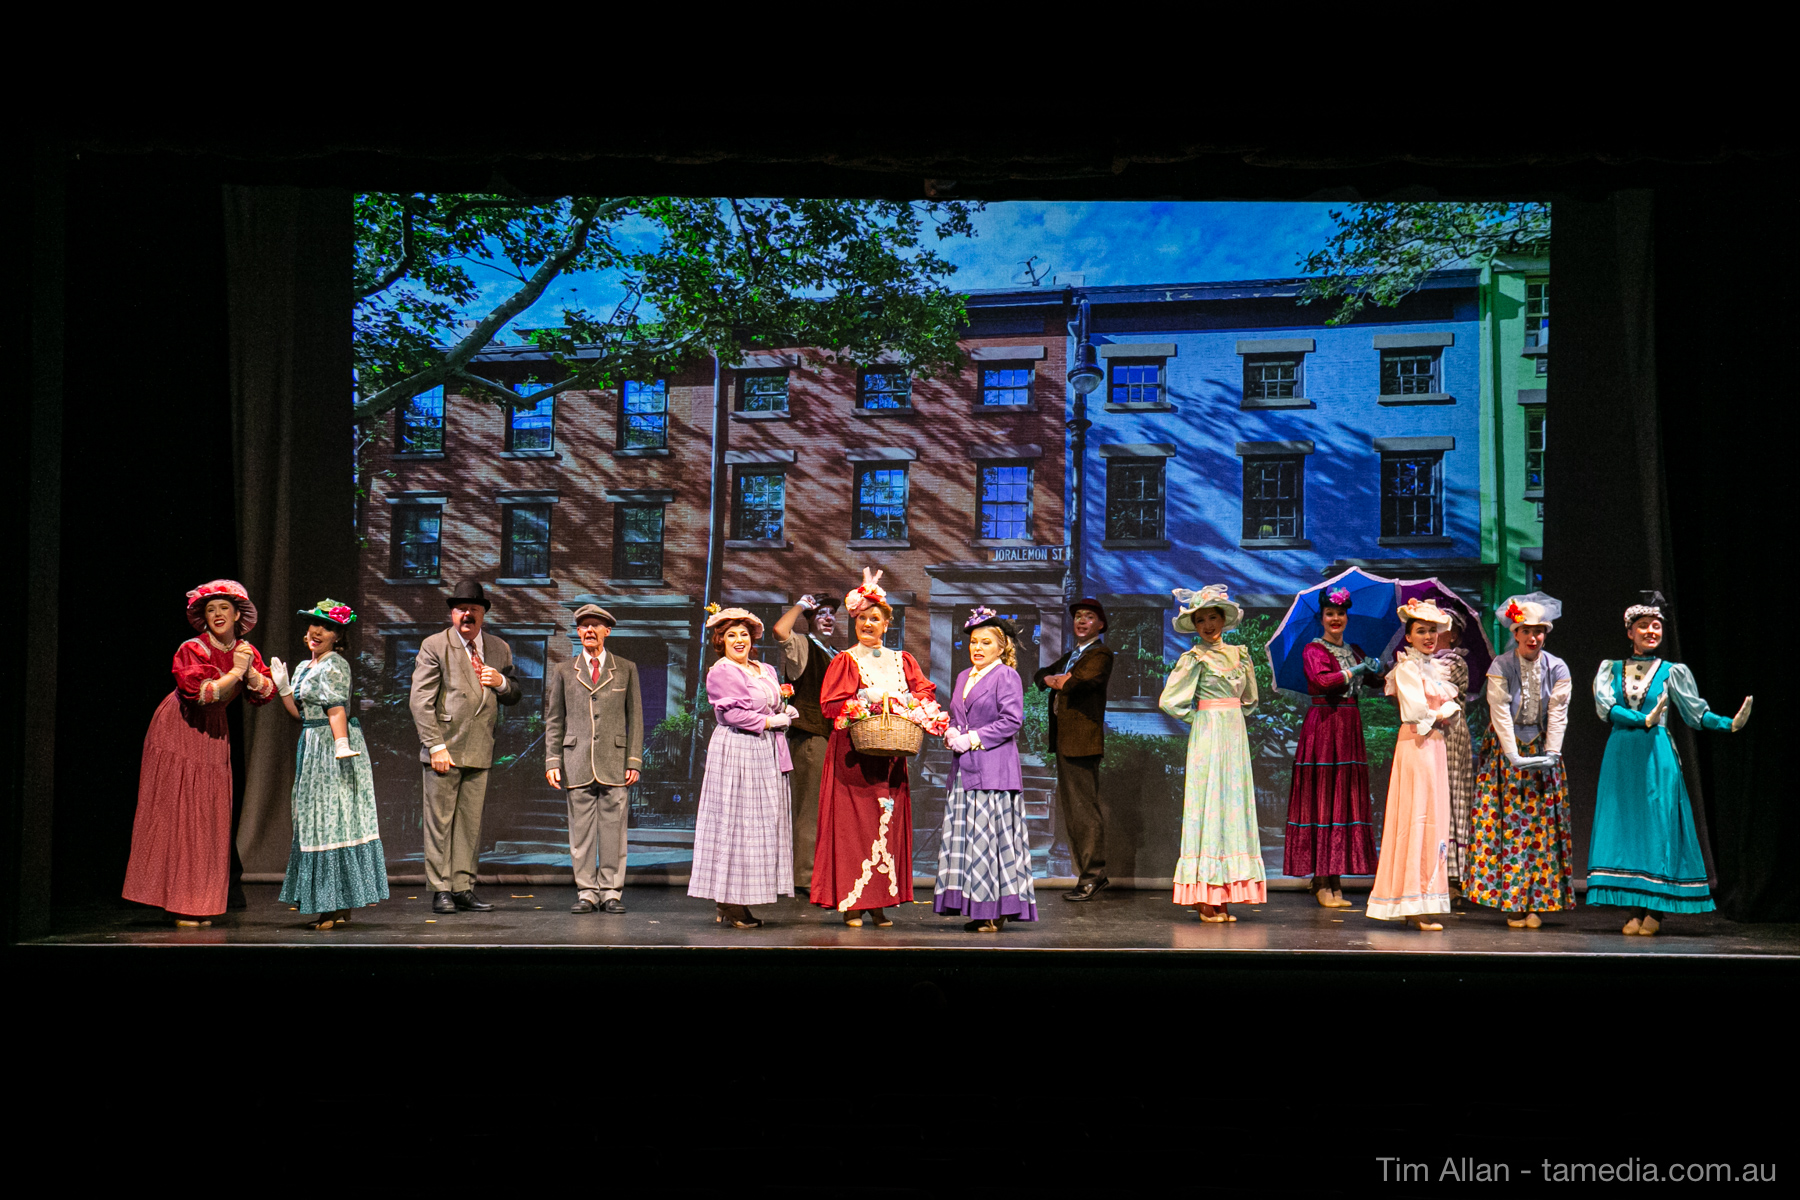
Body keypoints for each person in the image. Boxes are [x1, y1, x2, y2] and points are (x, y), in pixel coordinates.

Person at [1587, 591, 1752, 935]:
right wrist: (1641, 720)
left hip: (1655, 755)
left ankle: (1656, 911)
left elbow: (1696, 713)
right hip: (1622, 754)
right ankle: (1633, 909)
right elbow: (1606, 709)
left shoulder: (1672, 671)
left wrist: (1728, 724)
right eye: (1643, 626)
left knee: (1657, 828)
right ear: (1630, 632)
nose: (1651, 631)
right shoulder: (1610, 669)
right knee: (1627, 828)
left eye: (1656, 626)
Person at [124, 580, 278, 926]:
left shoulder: (246, 651)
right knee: (179, 814)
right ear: (203, 618)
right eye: (210, 609)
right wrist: (237, 671)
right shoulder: (193, 648)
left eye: (224, 608)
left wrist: (249, 671)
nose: (217, 614)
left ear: (237, 614)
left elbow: (264, 693)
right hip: (179, 729)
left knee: (208, 818)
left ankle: (198, 902)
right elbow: (201, 695)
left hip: (213, 732)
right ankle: (178, 902)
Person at [813, 568, 938, 927]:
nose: (868, 624)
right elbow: (830, 705)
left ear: (886, 624)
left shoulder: (903, 660)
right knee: (855, 826)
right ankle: (853, 902)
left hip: (890, 751)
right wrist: (862, 700)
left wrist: (909, 703)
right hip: (855, 755)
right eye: (862, 618)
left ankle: (880, 902)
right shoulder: (846, 660)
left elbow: (924, 691)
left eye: (875, 619)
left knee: (888, 822)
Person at [268, 599, 387, 930]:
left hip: (331, 746)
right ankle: (337, 904)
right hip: (312, 744)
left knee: (332, 820)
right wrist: (283, 688)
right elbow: (301, 716)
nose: (317, 631)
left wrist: (341, 744)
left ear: (338, 636)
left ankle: (333, 905)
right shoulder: (305, 667)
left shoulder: (335, 665)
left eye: (327, 627)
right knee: (315, 820)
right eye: (314, 625)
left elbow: (336, 710)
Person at [409, 580, 522, 915]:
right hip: (444, 748)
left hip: (479, 748)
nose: (467, 615)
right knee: (440, 824)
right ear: (452, 613)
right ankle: (441, 889)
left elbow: (514, 693)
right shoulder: (435, 645)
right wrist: (435, 746)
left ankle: (462, 887)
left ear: (483, 613)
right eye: (461, 609)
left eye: (473, 609)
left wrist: (501, 682)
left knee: (469, 826)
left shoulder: (499, 648)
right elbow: (420, 702)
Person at [1465, 594, 1573, 928]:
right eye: (1526, 630)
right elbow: (1499, 711)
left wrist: (1552, 752)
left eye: (1539, 631)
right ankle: (1513, 902)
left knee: (1541, 826)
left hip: (1540, 746)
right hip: (1505, 749)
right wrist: (1512, 754)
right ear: (1515, 633)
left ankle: (1537, 901)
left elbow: (1558, 713)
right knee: (1509, 825)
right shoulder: (1502, 665)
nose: (1533, 637)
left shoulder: (1557, 667)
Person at [1159, 585, 1264, 922]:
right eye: (1200, 620)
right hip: (1208, 734)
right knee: (1207, 804)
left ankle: (1224, 895)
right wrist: (1201, 717)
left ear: (1223, 620)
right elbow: (1170, 701)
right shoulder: (1194, 657)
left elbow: (1250, 700)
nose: (1207, 625)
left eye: (1213, 618)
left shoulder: (1240, 654)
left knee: (1232, 806)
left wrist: (1229, 714)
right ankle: (1204, 897)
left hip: (1234, 734)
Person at [689, 608, 795, 929]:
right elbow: (731, 714)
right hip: (738, 749)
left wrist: (785, 711)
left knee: (759, 824)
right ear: (720, 641)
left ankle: (736, 898)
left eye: (744, 635)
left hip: (766, 751)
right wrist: (770, 721)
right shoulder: (722, 671)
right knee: (737, 821)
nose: (739, 640)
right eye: (731, 635)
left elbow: (771, 703)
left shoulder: (765, 669)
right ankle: (729, 900)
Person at [935, 608, 1037, 932]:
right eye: (973, 642)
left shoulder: (1006, 675)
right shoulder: (964, 676)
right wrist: (952, 731)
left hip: (993, 770)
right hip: (965, 769)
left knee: (989, 840)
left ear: (1001, 647)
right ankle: (978, 907)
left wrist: (973, 738)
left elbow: (1011, 721)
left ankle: (994, 911)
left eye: (986, 642)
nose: (977, 648)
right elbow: (959, 716)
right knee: (970, 839)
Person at [1281, 584, 1382, 909]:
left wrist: (1377, 669)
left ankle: (1334, 879)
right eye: (1329, 613)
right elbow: (1322, 681)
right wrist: (1356, 669)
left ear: (1346, 617)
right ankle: (1321, 880)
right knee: (1323, 798)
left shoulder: (1354, 649)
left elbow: (1372, 682)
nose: (1335, 618)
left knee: (1342, 799)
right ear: (1321, 618)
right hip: (1325, 725)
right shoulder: (1314, 650)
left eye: (1340, 613)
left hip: (1349, 725)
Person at [1367, 598, 1460, 931]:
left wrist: (1444, 713)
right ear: (1408, 636)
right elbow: (1416, 715)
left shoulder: (1434, 668)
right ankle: (1412, 901)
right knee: (1416, 817)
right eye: (1421, 631)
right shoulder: (1407, 668)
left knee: (1433, 819)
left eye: (1432, 630)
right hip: (1416, 744)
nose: (1428, 636)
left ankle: (1422, 900)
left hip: (1434, 746)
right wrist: (1445, 711)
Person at [544, 604, 642, 915]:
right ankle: (586, 892)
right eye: (584, 626)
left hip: (614, 761)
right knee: (581, 834)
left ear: (606, 631)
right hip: (577, 761)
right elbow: (554, 720)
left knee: (613, 832)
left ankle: (611, 892)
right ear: (578, 632)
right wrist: (552, 761)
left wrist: (634, 760)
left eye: (595, 626)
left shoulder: (625, 668)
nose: (589, 630)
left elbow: (636, 718)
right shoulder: (564, 670)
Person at [1032, 597, 1115, 901]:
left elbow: (1079, 683)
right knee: (1072, 811)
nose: (1081, 620)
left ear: (1100, 624)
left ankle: (1093, 875)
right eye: (1078, 616)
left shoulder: (1100, 654)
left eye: (1089, 616)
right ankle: (1088, 875)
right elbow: (1040, 676)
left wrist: (1063, 680)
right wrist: (1056, 679)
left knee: (1083, 810)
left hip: (1082, 743)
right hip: (1066, 742)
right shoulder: (1072, 655)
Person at [771, 592, 839, 892]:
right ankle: (804, 877)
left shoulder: (835, 653)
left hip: (834, 737)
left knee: (828, 809)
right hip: (811, 736)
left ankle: (823, 873)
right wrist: (801, 605)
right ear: (810, 619)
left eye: (832, 613)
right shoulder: (803, 645)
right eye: (821, 613)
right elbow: (780, 630)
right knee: (809, 808)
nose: (828, 618)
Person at [1436, 610, 1476, 892]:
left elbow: (1434, 688)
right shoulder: (1426, 661)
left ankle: (1453, 874)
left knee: (1451, 794)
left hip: (1449, 734)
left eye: (1439, 628)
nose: (1433, 633)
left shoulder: (1454, 661)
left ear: (1453, 635)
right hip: (1427, 733)